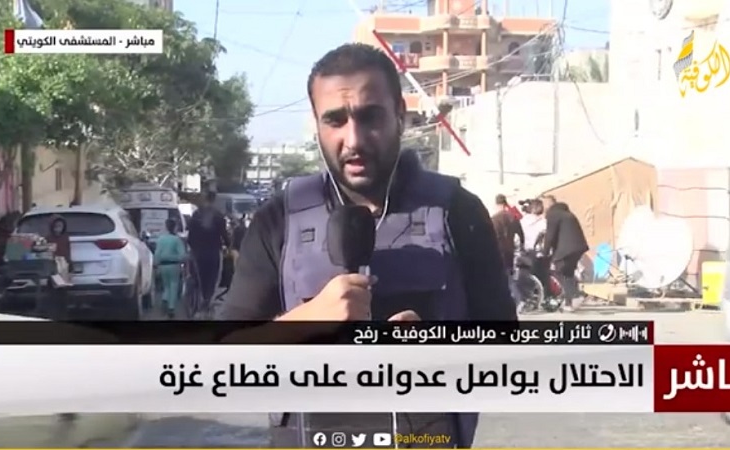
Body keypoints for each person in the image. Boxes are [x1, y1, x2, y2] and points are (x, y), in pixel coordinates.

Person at [221, 43, 516, 448]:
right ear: (316, 125)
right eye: (335, 120)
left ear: (400, 115)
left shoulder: (458, 211)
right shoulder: (278, 219)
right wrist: (303, 323)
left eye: (370, 116)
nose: (354, 139)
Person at [541, 195, 588, 312]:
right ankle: (568, 303)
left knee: (558, 270)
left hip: (567, 248)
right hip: (578, 247)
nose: (543, 207)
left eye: (544, 204)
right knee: (568, 273)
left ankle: (576, 294)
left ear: (549, 204)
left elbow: (550, 235)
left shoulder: (553, 214)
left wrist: (545, 252)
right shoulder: (566, 213)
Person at [187, 191, 229, 306]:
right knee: (213, 277)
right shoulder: (218, 215)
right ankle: (208, 299)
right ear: (214, 200)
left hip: (198, 251)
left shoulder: (196, 214)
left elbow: (190, 235)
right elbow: (224, 235)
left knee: (200, 276)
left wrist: (192, 247)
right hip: (213, 251)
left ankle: (202, 297)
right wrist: (228, 246)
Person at [491, 194, 524, 306]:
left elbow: (494, 236)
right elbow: (521, 234)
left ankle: (518, 299)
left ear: (497, 204)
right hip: (510, 250)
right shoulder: (513, 217)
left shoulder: (495, 219)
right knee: (509, 274)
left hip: (500, 250)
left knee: (504, 276)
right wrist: (521, 246)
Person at [154, 218, 187, 319]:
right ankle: (171, 308)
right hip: (174, 265)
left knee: (166, 285)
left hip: (163, 265)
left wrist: (156, 264)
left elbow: (157, 253)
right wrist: (182, 260)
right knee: (174, 285)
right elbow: (182, 255)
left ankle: (165, 299)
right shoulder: (177, 240)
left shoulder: (161, 239)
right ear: (175, 227)